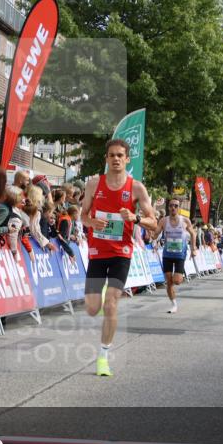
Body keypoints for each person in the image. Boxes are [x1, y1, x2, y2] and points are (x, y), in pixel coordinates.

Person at [80, 139, 158, 377]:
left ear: (127, 159)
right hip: (97, 251)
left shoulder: (137, 188)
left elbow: (153, 224)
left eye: (120, 155)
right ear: (106, 158)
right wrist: (92, 222)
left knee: (111, 303)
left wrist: (135, 218)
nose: (115, 159)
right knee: (93, 309)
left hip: (121, 253)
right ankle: (102, 300)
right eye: (111, 155)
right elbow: (82, 216)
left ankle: (103, 357)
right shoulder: (94, 184)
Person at [157, 198, 195, 313]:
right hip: (167, 254)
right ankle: (174, 305)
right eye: (171, 206)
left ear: (179, 208)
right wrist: (150, 232)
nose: (173, 208)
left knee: (177, 281)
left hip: (180, 255)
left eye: (176, 206)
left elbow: (193, 234)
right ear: (168, 208)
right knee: (168, 282)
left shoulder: (185, 221)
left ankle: (176, 279)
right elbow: (155, 234)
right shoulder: (163, 221)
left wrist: (193, 249)